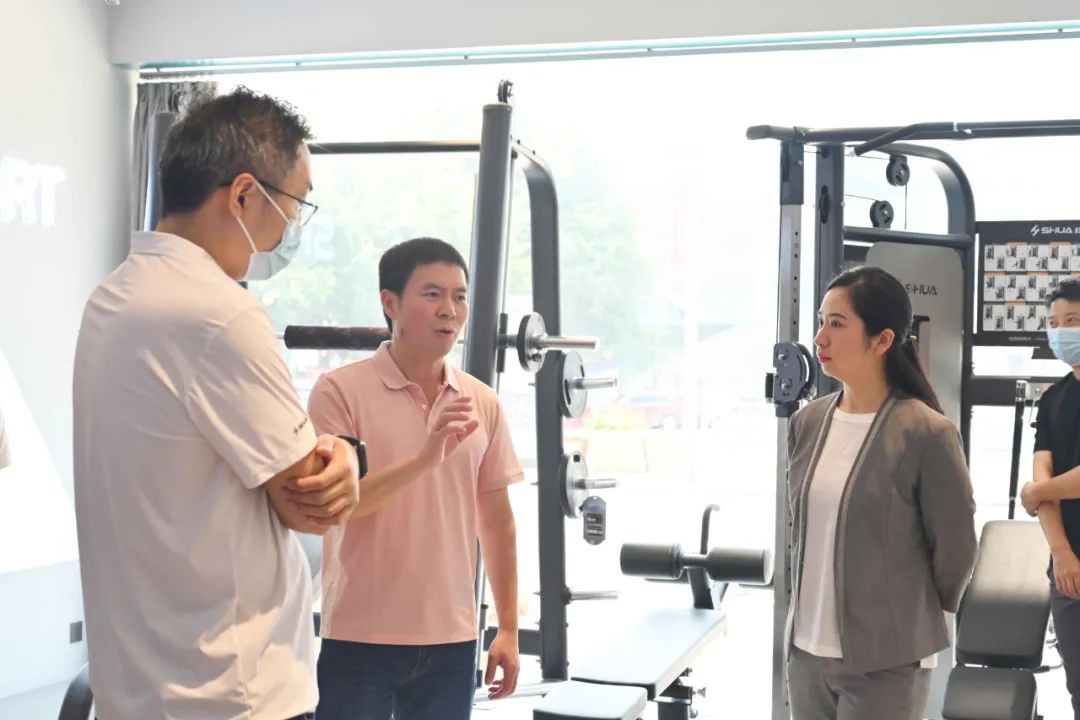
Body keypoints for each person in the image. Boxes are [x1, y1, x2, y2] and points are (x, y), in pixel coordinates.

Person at [73, 88, 362, 720]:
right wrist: (345, 456)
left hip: (139, 687)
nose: (292, 227)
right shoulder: (219, 314)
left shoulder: (114, 297)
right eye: (296, 204)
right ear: (243, 196)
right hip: (233, 693)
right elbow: (310, 503)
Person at [307, 237, 523, 720]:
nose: (450, 309)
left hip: (452, 642)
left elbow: (496, 521)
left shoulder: (482, 401)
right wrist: (426, 458)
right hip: (360, 637)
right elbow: (338, 505)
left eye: (459, 296)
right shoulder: (339, 391)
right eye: (432, 294)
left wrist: (507, 628)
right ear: (390, 303)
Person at [785, 266, 977, 720]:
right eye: (820, 322)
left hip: (886, 659)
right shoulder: (808, 422)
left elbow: (956, 545)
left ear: (883, 340)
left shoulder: (926, 432)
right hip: (807, 652)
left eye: (837, 324)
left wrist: (916, 615)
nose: (820, 338)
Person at [1019, 278, 1080, 718]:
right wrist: (1061, 553)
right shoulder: (1054, 398)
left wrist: (1039, 491)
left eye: (1072, 321)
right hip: (1068, 569)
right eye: (1054, 323)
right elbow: (1042, 469)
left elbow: (1040, 487)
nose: (1061, 332)